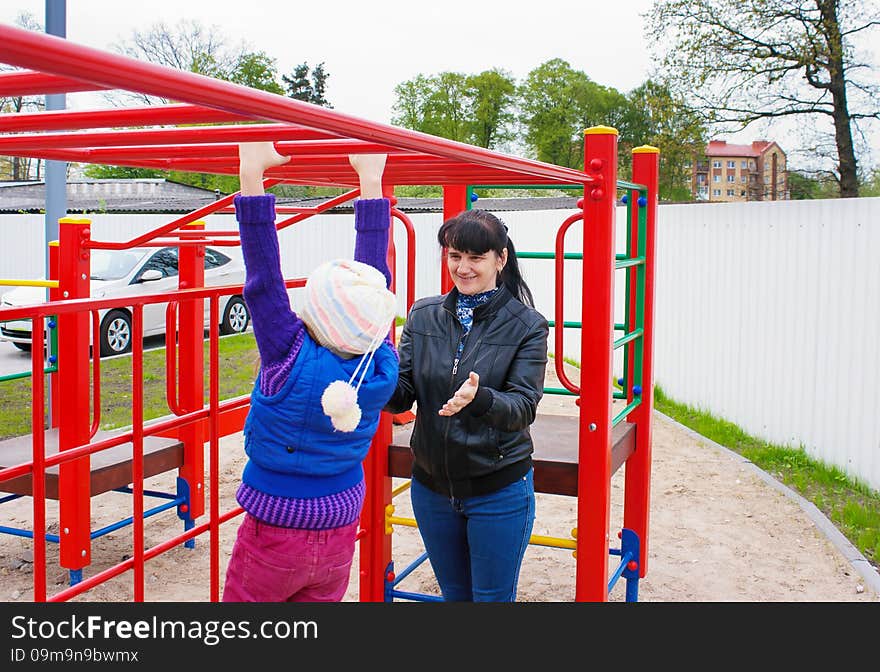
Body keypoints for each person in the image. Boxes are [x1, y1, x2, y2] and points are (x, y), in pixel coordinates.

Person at [222, 142, 399, 602]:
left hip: (274, 529)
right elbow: (373, 280)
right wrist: (371, 181)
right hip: (340, 528)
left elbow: (264, 279)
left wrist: (251, 172)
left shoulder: (288, 353)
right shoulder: (377, 356)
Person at [385, 208, 549, 602]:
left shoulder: (528, 325)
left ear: (500, 259)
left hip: (497, 487)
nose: (463, 268)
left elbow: (523, 407)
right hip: (430, 486)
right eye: (455, 256)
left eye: (476, 258)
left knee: (491, 599)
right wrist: (367, 373)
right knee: (455, 595)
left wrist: (481, 399)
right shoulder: (423, 314)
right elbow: (402, 393)